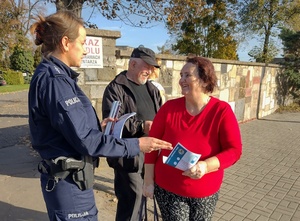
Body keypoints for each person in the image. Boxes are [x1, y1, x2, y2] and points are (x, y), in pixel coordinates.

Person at [28, 11, 172, 221]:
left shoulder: (58, 78)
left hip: (73, 181)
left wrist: (100, 127)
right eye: (83, 42)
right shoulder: (55, 81)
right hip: (70, 185)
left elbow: (73, 129)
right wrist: (137, 144)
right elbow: (87, 141)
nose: (85, 50)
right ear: (66, 43)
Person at [143, 56, 242, 221]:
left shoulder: (221, 111)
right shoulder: (169, 109)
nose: (181, 80)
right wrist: (148, 181)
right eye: (181, 75)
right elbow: (151, 146)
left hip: (205, 191)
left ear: (204, 80)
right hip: (169, 189)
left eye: (187, 75)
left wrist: (205, 166)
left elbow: (234, 151)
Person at [102, 45, 162, 221]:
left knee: (143, 198)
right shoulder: (115, 88)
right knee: (132, 201)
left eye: (152, 68)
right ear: (133, 64)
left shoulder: (153, 89)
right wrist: (142, 127)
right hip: (128, 156)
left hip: (151, 155)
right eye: (147, 66)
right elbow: (112, 124)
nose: (150, 71)